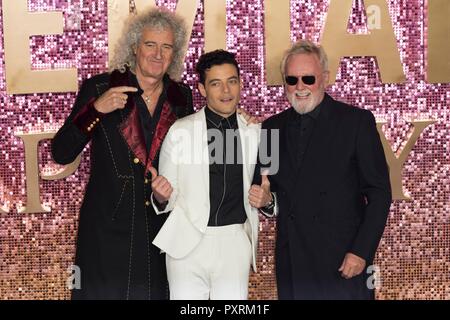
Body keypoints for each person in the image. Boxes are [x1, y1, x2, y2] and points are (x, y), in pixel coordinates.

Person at [51, 8, 194, 300]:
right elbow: (61, 152)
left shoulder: (182, 98)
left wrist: (237, 120)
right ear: (134, 47)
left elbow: (190, 162)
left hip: (159, 233)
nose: (158, 54)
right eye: (150, 45)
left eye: (166, 47)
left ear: (174, 53)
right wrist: (95, 110)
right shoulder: (101, 87)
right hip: (106, 231)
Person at [251, 40, 392, 299]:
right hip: (294, 263)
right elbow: (265, 191)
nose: (300, 87)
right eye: (292, 80)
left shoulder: (356, 122)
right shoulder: (271, 129)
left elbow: (380, 193)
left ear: (325, 78)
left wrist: (361, 251)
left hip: (343, 261)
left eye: (308, 78)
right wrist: (267, 201)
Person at [149, 50, 261, 299]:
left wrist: (267, 200)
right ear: (201, 89)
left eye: (232, 81)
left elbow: (268, 190)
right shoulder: (180, 130)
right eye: (216, 83)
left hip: (235, 242)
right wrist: (160, 196)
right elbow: (166, 196)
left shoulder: (257, 131)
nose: (226, 91)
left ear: (241, 83)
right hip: (187, 243)